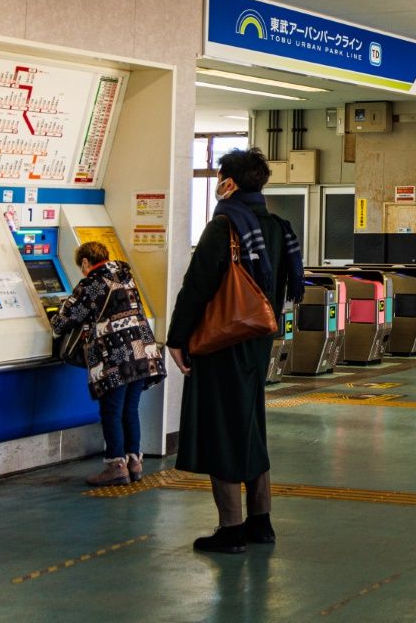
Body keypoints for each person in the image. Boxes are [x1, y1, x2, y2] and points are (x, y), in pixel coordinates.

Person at [166, 148, 302, 554]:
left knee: (221, 427)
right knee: (249, 424)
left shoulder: (224, 225)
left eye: (220, 174)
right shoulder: (277, 227)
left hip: (222, 339)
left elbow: (197, 288)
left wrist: (176, 339)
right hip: (257, 339)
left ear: (230, 181)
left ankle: (231, 528)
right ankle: (261, 521)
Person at [49, 242, 165, 486]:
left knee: (111, 411)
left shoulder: (92, 283)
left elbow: (63, 322)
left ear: (85, 263)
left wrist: (54, 315)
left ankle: (116, 465)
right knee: (129, 409)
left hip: (116, 356)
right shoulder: (125, 277)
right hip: (142, 351)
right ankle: (134, 462)